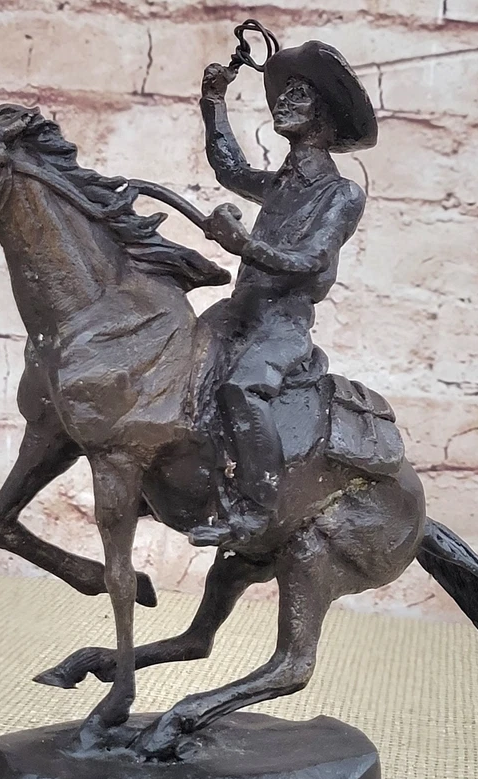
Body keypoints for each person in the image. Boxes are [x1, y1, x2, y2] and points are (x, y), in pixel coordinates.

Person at [189, 39, 378, 547]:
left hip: (283, 323)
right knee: (175, 360)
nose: (284, 101)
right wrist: (214, 101)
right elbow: (229, 169)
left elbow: (311, 260)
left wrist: (243, 244)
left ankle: (256, 507)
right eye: (284, 92)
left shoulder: (341, 194)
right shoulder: (282, 183)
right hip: (239, 311)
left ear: (325, 117)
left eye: (299, 94)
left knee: (242, 388)